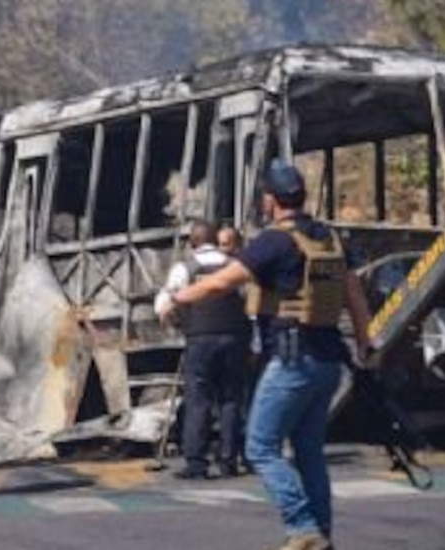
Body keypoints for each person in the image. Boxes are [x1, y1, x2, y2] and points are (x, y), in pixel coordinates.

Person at [159, 162, 371, 550]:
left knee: (259, 447)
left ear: (270, 200)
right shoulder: (331, 238)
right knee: (309, 453)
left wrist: (176, 297)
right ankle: (321, 536)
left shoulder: (275, 241)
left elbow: (223, 281)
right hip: (328, 361)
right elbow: (355, 297)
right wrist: (365, 345)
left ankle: (302, 527)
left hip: (292, 359)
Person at [154, 219, 249, 479]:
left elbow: (163, 303)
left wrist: (174, 322)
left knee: (199, 399)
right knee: (231, 399)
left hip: (200, 337)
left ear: (192, 242)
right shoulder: (233, 265)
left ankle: (197, 462)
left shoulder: (185, 268)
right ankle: (229, 460)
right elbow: (247, 299)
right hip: (233, 336)